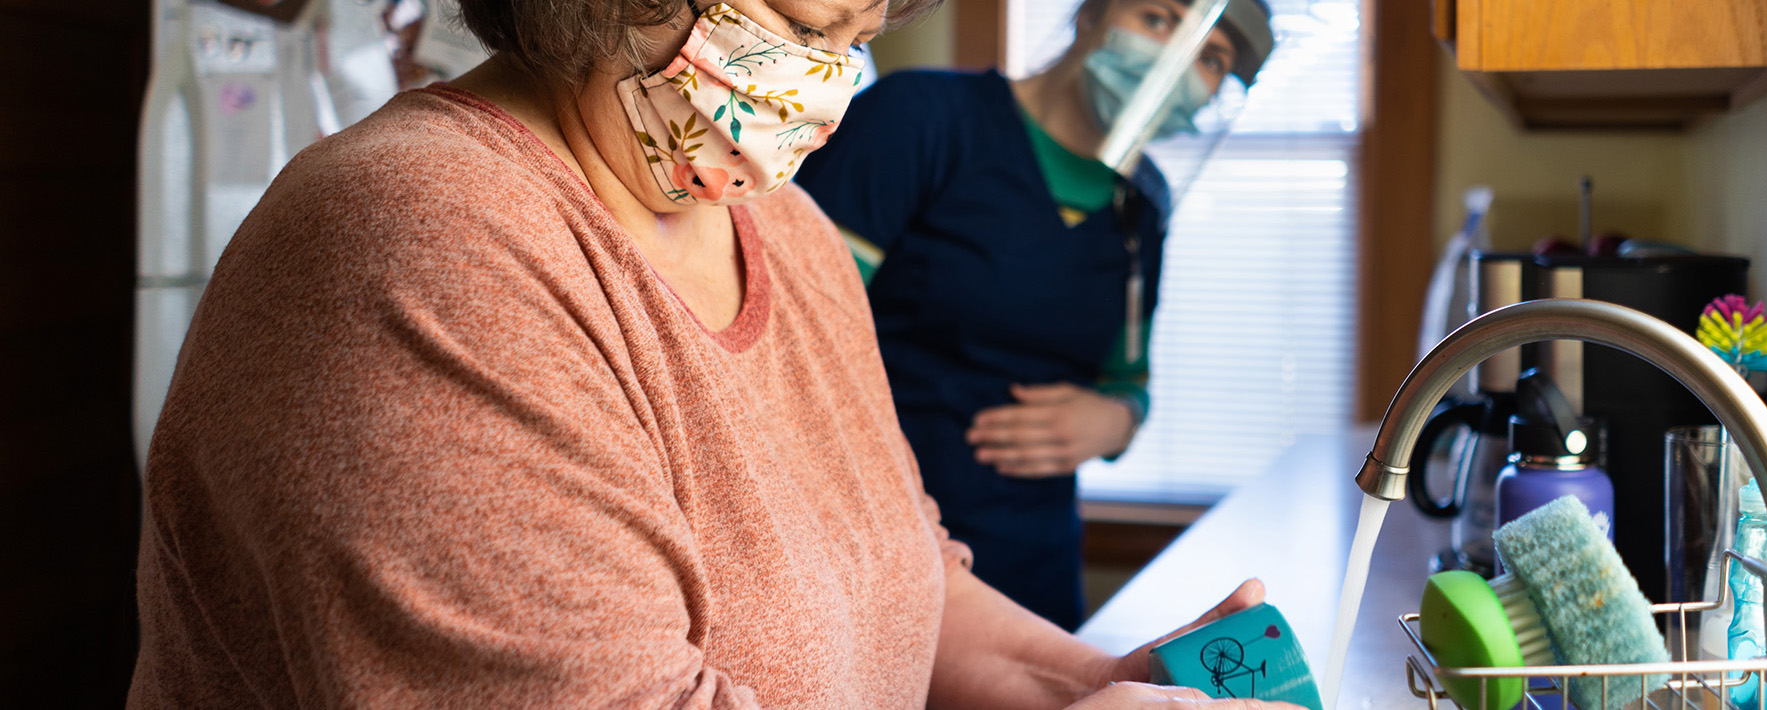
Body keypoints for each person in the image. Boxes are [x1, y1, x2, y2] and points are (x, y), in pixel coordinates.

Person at [124, 0, 1299, 708]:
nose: (833, 86)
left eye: (862, 34)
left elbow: (902, 582)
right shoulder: (422, 241)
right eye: (800, 30)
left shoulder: (779, 226)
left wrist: (1087, 683)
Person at [795, 0, 1275, 629]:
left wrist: (1115, 421)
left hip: (1032, 563)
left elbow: (1128, 382)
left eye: (1212, 58)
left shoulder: (1141, 210)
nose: (1178, 59)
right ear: (1091, 17)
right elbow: (790, 329)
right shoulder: (923, 121)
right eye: (1158, 18)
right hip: (865, 548)